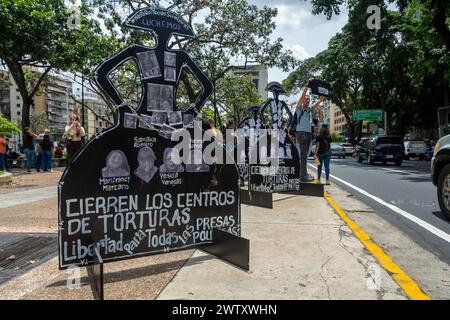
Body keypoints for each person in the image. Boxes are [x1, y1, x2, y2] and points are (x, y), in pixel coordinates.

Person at [290, 77, 325, 182]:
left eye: (309, 99)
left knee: (305, 155)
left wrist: (328, 90)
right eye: (307, 99)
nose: (308, 100)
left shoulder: (310, 110)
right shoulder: (299, 109)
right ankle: (302, 176)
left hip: (309, 134)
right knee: (303, 155)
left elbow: (321, 100)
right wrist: (307, 85)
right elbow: (302, 96)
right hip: (301, 133)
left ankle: (303, 173)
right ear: (302, 101)